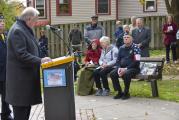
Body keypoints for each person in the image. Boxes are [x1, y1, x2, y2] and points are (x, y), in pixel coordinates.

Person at [6, 7, 51, 120]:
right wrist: (40, 60)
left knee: (25, 114)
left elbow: (33, 48)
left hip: (25, 83)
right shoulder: (17, 30)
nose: (36, 23)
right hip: (20, 84)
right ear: (29, 18)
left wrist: (42, 57)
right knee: (21, 115)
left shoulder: (24, 28)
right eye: (35, 20)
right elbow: (21, 55)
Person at [110, 33, 141, 100]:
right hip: (122, 68)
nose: (126, 38)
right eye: (124, 37)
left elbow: (137, 61)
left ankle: (126, 93)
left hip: (133, 68)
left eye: (128, 37)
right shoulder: (121, 48)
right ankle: (119, 92)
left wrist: (126, 68)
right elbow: (118, 60)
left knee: (126, 74)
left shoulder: (136, 47)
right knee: (112, 74)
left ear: (132, 39)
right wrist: (118, 68)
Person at [0, 13, 13, 120]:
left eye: (3, 22)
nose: (2, 24)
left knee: (5, 95)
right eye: (0, 22)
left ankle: (5, 114)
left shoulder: (5, 35)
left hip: (5, 71)